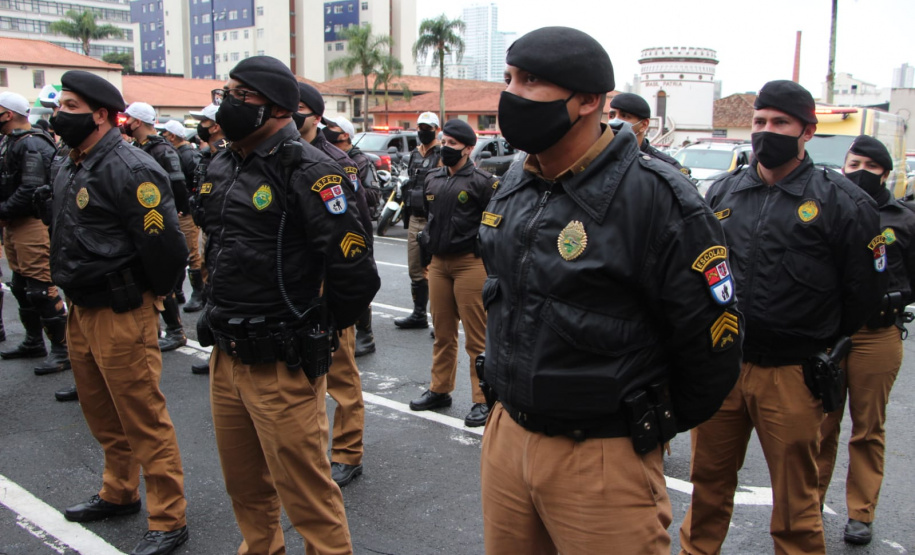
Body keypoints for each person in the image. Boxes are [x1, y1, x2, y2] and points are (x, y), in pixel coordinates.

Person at [478, 27, 743, 553]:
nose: (511, 94)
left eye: (530, 81)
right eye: (508, 79)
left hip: (602, 455)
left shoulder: (659, 200)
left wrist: (635, 433)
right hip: (507, 436)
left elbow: (712, 347)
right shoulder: (515, 181)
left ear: (588, 101)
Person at [679, 80, 887, 555]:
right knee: (707, 483)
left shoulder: (842, 201)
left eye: (780, 123)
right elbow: (698, 271)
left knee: (796, 502)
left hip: (792, 372)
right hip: (725, 366)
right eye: (759, 121)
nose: (765, 131)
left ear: (807, 131)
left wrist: (818, 342)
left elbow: (863, 293)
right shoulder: (724, 191)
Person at [198, 56, 379, 553]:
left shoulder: (311, 170)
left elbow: (355, 271)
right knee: (244, 488)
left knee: (307, 498)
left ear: (279, 108)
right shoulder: (225, 162)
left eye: (242, 95)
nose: (228, 104)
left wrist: (315, 329)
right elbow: (218, 247)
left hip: (282, 361)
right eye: (226, 93)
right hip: (227, 352)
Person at [47, 69, 189, 555]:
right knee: (101, 411)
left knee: (143, 417)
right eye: (60, 105)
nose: (59, 114)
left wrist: (150, 297)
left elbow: (165, 247)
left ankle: (168, 517)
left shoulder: (130, 167)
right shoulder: (71, 162)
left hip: (121, 309)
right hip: (81, 308)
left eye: (70, 107)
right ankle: (119, 490)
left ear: (101, 115)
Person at [816, 135, 914, 546]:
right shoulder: (826, 209)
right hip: (830, 334)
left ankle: (861, 513)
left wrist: (895, 296)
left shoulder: (903, 220)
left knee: (868, 428)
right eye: (853, 164)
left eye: (870, 167)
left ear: (885, 174)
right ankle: (809, 504)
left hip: (877, 334)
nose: (859, 172)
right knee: (821, 425)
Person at [293, 82, 372, 488]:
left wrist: (342, 294)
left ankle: (347, 451)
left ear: (317, 116)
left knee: (340, 371)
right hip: (291, 286)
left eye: (299, 107)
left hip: (326, 283)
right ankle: (309, 454)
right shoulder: (278, 156)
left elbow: (358, 232)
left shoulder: (336, 162)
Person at [409, 119, 495, 428]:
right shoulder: (432, 178)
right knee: (442, 333)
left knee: (477, 338)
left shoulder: (484, 182)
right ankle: (439, 389)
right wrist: (428, 257)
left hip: (471, 263)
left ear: (469, 148)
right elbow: (429, 220)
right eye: (444, 142)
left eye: (453, 144)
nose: (445, 148)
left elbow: (494, 227)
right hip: (439, 264)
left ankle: (483, 399)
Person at [0, 91, 70, 375]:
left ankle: (63, 350)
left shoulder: (31, 143)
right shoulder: (10, 141)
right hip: (13, 222)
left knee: (40, 288)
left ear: (8, 113)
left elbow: (31, 188)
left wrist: (3, 210)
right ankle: (33, 341)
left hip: (31, 222)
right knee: (19, 285)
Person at [122, 101, 189, 352]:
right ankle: (155, 327)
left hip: (159, 218)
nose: (125, 124)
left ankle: (176, 330)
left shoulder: (163, 150)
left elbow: (178, 184)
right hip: (141, 217)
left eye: (128, 119)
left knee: (162, 276)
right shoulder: (137, 148)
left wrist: (178, 210)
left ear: (138, 121)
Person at [323, 115, 379, 357]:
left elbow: (374, 194)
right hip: (333, 228)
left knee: (357, 279)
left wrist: (348, 188)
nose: (326, 130)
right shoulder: (322, 155)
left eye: (332, 127)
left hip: (356, 227)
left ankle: (365, 335)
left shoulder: (359, 160)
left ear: (345, 134)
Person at [187, 103, 227, 376]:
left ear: (215, 125)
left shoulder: (227, 154)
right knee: (209, 286)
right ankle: (215, 351)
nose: (200, 127)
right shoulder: (206, 155)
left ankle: (222, 351)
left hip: (224, 231)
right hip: (207, 228)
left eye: (204, 121)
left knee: (220, 287)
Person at [394, 111, 442, 330]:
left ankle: (441, 322)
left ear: (436, 130)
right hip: (415, 217)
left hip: (435, 219)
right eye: (420, 127)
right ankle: (419, 314)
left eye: (427, 128)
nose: (423, 132)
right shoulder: (414, 154)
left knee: (436, 271)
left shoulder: (442, 153)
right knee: (415, 269)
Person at [162, 120, 205, 314]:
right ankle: (178, 290)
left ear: (172, 136)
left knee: (192, 252)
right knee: (179, 250)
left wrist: (187, 205)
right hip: (177, 209)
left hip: (186, 212)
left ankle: (198, 293)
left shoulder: (187, 155)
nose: (163, 137)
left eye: (166, 134)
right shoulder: (174, 152)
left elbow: (196, 183)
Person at [608, 92, 688, 174]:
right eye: (611, 116)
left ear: (643, 125)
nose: (615, 121)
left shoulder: (667, 167)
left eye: (624, 116)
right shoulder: (603, 156)